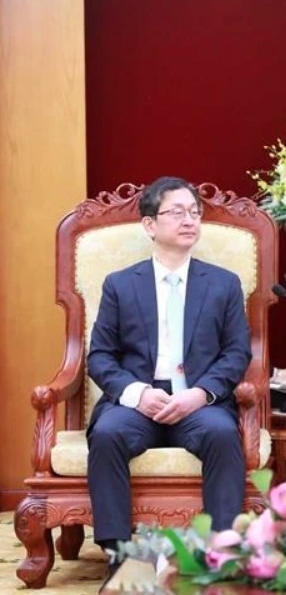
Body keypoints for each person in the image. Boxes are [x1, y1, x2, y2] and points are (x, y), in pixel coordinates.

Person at [86, 176, 251, 576]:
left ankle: (220, 550)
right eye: (176, 212)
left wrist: (201, 394)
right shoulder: (121, 285)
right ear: (149, 225)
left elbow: (236, 352)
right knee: (107, 434)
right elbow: (100, 357)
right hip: (139, 402)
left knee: (223, 434)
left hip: (196, 401)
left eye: (194, 212)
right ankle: (120, 554)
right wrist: (137, 393)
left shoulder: (224, 284)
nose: (189, 220)